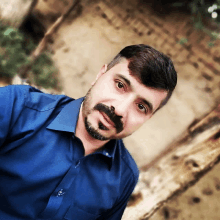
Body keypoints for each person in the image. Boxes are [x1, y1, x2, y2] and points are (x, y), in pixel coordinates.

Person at [0, 44, 177, 220]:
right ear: (100, 75)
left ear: (149, 118)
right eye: (120, 85)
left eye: (141, 106)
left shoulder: (125, 177)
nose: (120, 110)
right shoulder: (17, 107)